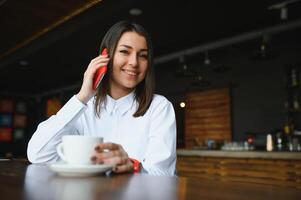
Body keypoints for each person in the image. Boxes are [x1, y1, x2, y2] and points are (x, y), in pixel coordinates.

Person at [27, 20, 177, 176]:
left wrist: (133, 166)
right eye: (125, 52)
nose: (134, 62)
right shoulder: (84, 107)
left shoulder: (159, 107)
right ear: (106, 56)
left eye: (143, 56)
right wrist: (82, 97)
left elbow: (164, 173)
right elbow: (38, 154)